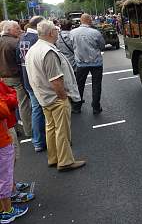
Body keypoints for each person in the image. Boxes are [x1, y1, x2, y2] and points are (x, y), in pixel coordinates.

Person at [25, 20, 86, 171]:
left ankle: (53, 158)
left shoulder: (33, 49)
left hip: (43, 96)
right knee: (62, 130)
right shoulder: (48, 52)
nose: (58, 33)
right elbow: (56, 80)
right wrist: (64, 97)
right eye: (56, 31)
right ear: (51, 33)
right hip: (55, 97)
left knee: (50, 128)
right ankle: (65, 161)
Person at [16, 16, 46, 152]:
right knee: (40, 110)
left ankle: (38, 140)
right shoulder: (37, 40)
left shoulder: (22, 38)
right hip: (36, 80)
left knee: (36, 109)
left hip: (26, 78)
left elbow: (18, 60)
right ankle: (40, 141)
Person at [0, 84, 29, 223]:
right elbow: (4, 109)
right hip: (2, 139)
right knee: (5, 175)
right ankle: (7, 211)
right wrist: (7, 100)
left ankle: (3, 208)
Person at [0, 21, 32, 138]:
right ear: (10, 30)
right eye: (17, 29)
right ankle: (29, 130)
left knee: (9, 105)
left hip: (3, 78)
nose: (20, 30)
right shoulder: (15, 43)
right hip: (15, 77)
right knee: (23, 104)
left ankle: (15, 128)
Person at [71, 14, 105, 115]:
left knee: (79, 85)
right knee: (96, 85)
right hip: (96, 62)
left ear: (81, 21)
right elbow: (102, 46)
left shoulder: (73, 33)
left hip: (81, 63)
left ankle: (77, 107)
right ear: (89, 20)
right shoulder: (95, 32)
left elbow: (71, 46)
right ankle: (96, 107)